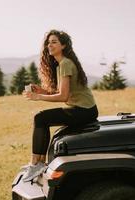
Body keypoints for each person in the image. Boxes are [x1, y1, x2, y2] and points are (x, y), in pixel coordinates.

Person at [22, 30, 98, 182]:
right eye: (48, 42)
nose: (50, 45)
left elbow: (63, 96)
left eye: (54, 42)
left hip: (84, 110)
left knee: (41, 118)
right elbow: (63, 92)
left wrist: (38, 97)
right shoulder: (61, 64)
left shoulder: (65, 64)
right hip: (85, 109)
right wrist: (42, 91)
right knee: (42, 118)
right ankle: (38, 163)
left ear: (63, 45)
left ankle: (36, 164)